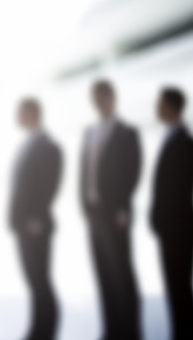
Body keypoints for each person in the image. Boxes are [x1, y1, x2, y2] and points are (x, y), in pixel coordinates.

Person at [80, 80, 142, 340]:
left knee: (121, 273)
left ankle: (129, 330)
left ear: (110, 98)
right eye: (94, 97)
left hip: (115, 214)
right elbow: (85, 172)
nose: (98, 102)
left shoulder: (126, 132)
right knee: (103, 272)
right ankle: (112, 329)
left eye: (101, 96)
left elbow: (132, 172)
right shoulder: (90, 132)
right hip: (94, 212)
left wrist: (122, 209)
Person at [10, 99, 62, 340]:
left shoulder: (49, 146)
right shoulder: (28, 144)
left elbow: (48, 187)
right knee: (34, 281)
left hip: (36, 226)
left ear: (31, 114)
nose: (17, 116)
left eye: (21, 112)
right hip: (23, 225)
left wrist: (36, 219)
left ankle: (46, 332)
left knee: (41, 281)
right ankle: (38, 330)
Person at [150, 87, 193, 340]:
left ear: (171, 107)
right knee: (174, 288)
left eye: (160, 103)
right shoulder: (170, 138)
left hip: (180, 228)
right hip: (170, 228)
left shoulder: (185, 143)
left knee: (179, 288)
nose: (157, 108)